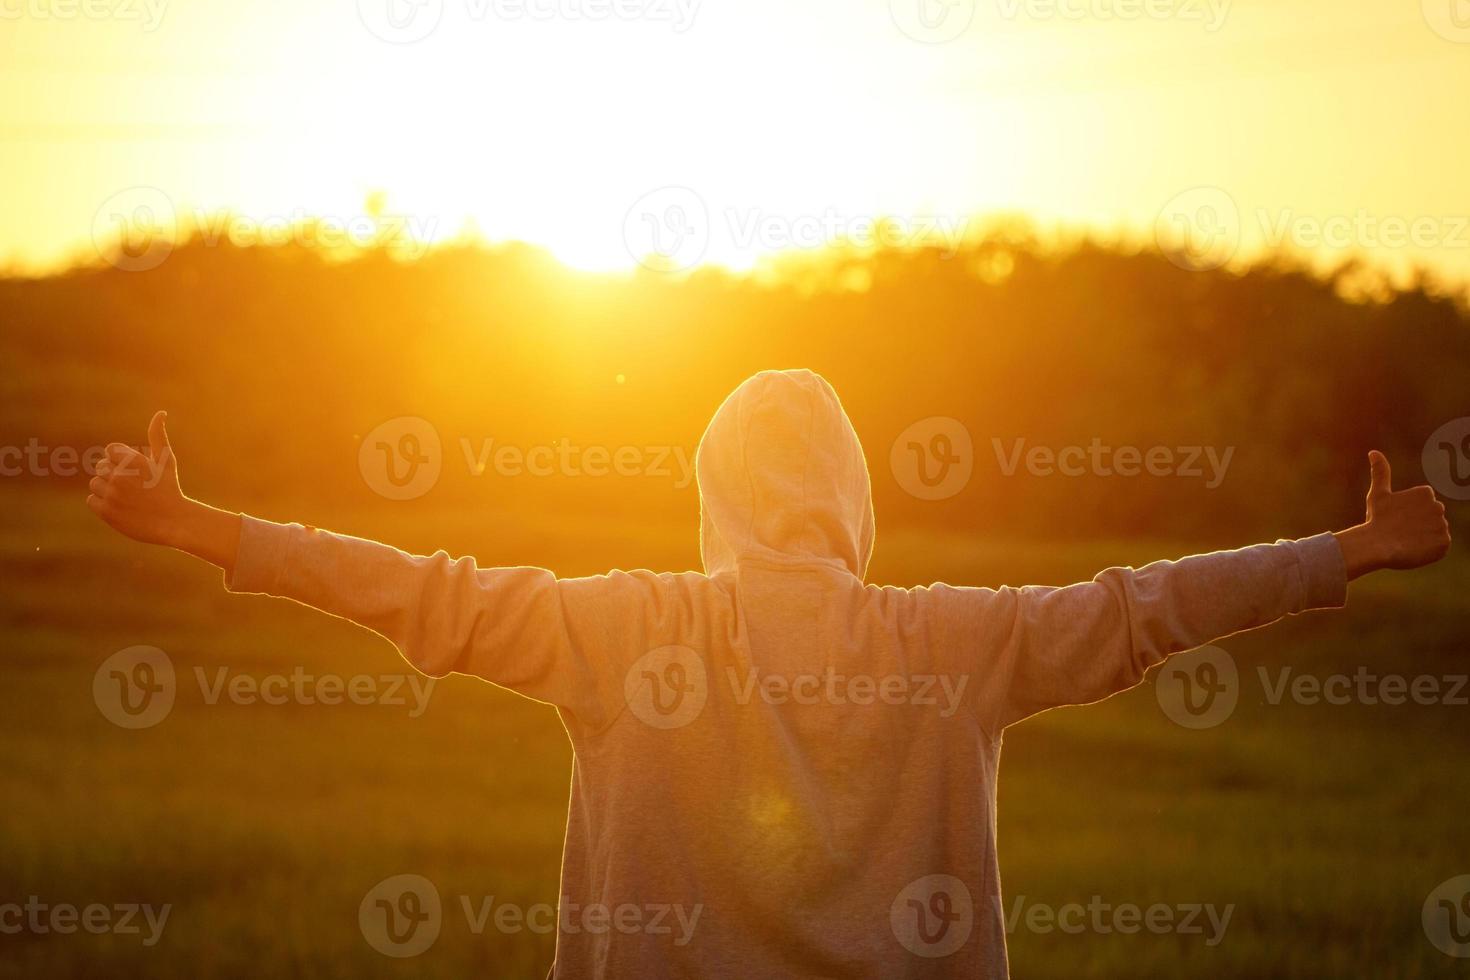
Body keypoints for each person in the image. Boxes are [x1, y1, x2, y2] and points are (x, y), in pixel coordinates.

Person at [87, 368, 1450, 978]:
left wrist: (201, 525)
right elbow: (1146, 604)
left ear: (713, 493)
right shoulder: (952, 643)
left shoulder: (624, 632)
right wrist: (1350, 548)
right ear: (849, 497)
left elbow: (410, 590)